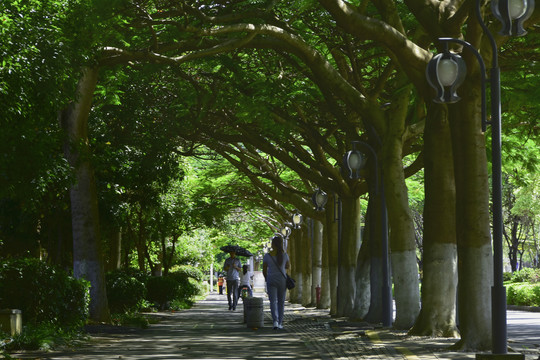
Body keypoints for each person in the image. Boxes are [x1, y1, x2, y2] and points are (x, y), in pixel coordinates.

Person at [263, 235, 290, 330]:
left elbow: (264, 270)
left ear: (273, 245)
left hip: (271, 279)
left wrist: (267, 279)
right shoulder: (285, 255)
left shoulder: (267, 256)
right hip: (282, 280)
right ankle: (280, 322)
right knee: (281, 302)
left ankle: (275, 321)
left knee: (273, 301)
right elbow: (287, 266)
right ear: (281, 244)